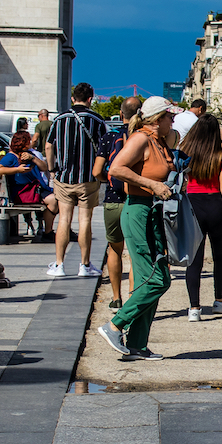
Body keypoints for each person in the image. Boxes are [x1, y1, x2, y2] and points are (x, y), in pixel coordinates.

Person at [97, 96, 180, 360]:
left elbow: (177, 139)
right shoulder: (141, 139)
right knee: (155, 279)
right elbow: (116, 168)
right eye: (170, 116)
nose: (173, 120)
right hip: (138, 210)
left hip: (152, 212)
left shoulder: (157, 139)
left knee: (158, 277)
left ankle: (137, 345)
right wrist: (152, 184)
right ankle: (114, 326)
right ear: (157, 120)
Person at [44, 82, 111, 278]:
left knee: (64, 219)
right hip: (88, 178)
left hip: (64, 177)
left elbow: (49, 146)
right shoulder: (97, 121)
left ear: (73, 98)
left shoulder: (60, 119)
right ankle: (85, 264)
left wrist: (52, 170)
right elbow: (104, 148)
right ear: (90, 99)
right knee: (85, 220)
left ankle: (59, 264)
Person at [180, 115, 222, 321]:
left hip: (193, 203)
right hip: (216, 205)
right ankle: (219, 300)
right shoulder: (221, 156)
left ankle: (194, 307)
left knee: (194, 258)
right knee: (219, 255)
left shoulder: (187, 153)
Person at [95, 97, 139, 310]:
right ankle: (132, 297)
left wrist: (110, 179)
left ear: (121, 114)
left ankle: (116, 296)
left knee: (115, 249)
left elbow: (96, 171)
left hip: (113, 199)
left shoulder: (109, 137)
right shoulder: (142, 137)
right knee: (134, 252)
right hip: (136, 198)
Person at [0, 130, 57, 239]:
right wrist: (17, 169)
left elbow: (44, 168)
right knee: (53, 200)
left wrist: (32, 158)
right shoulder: (11, 156)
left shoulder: (31, 154)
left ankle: (48, 230)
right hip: (23, 191)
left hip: (36, 188)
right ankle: (48, 232)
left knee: (60, 199)